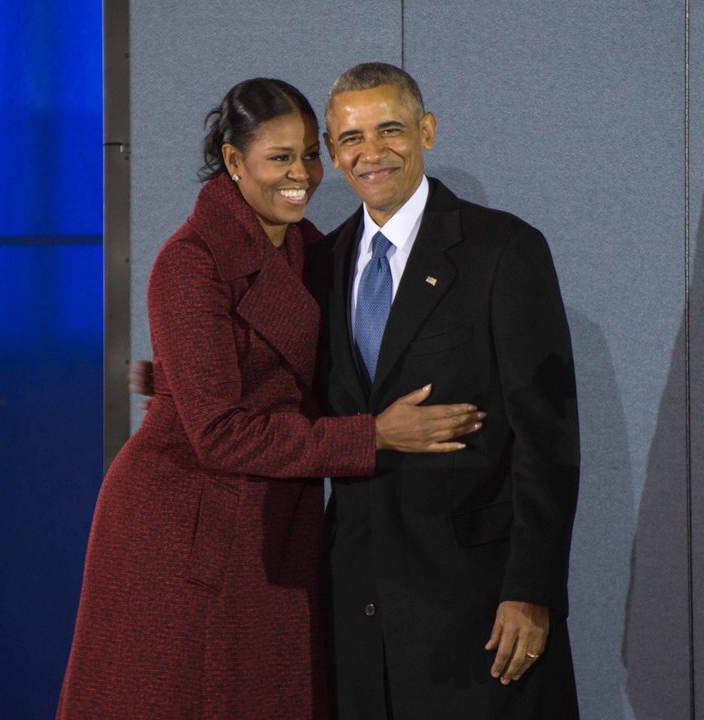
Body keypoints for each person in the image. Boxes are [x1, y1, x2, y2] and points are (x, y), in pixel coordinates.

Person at [55, 78, 484, 720]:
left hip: (270, 518)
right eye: (280, 157)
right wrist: (372, 435)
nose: (303, 174)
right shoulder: (190, 263)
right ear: (234, 162)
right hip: (185, 531)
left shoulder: (310, 247)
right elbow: (222, 433)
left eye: (311, 154)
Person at [313, 63, 580, 719]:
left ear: (427, 131)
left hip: (478, 612)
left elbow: (547, 439)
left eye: (390, 130)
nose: (370, 154)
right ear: (330, 150)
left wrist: (532, 590)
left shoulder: (502, 250)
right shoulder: (318, 265)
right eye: (350, 138)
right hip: (358, 619)